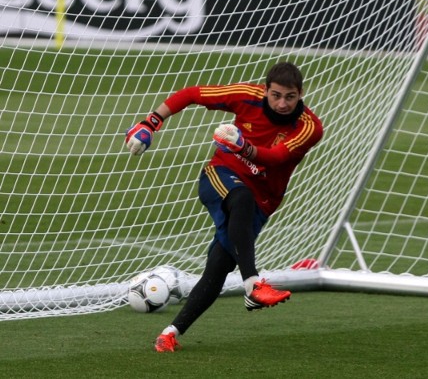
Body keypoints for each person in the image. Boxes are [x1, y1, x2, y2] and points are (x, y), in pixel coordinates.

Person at [125, 62, 323, 353]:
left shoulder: (310, 127)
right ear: (265, 90)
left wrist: (243, 146)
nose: (282, 103)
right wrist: (151, 121)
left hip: (263, 200)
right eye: (276, 95)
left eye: (290, 97)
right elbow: (192, 93)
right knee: (240, 197)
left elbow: (277, 158)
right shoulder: (246, 95)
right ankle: (253, 286)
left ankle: (170, 333)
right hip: (220, 175)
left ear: (301, 94)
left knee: (218, 267)